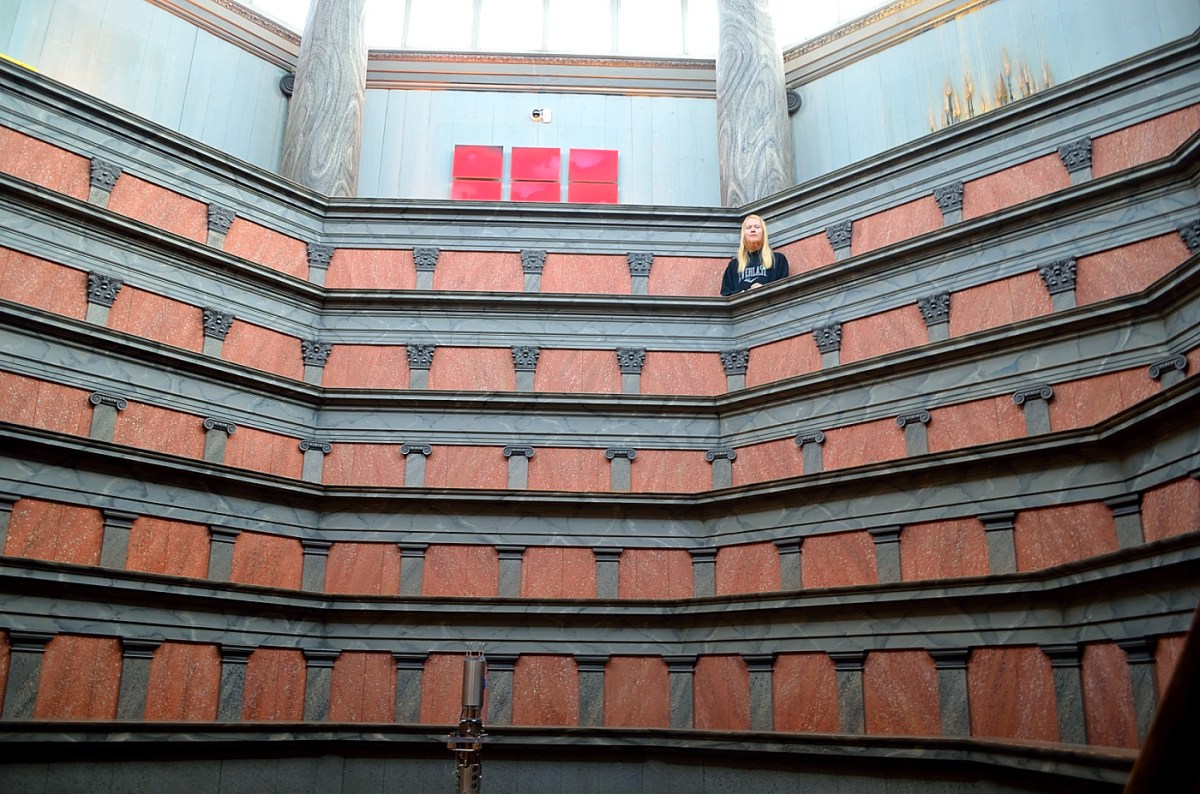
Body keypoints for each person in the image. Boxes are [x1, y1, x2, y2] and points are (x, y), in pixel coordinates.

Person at [719, 214, 789, 296]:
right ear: (743, 234)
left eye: (757, 227)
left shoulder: (778, 260)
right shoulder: (734, 266)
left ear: (763, 233)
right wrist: (740, 295)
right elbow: (725, 294)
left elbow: (783, 290)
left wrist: (764, 289)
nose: (753, 230)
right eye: (749, 227)